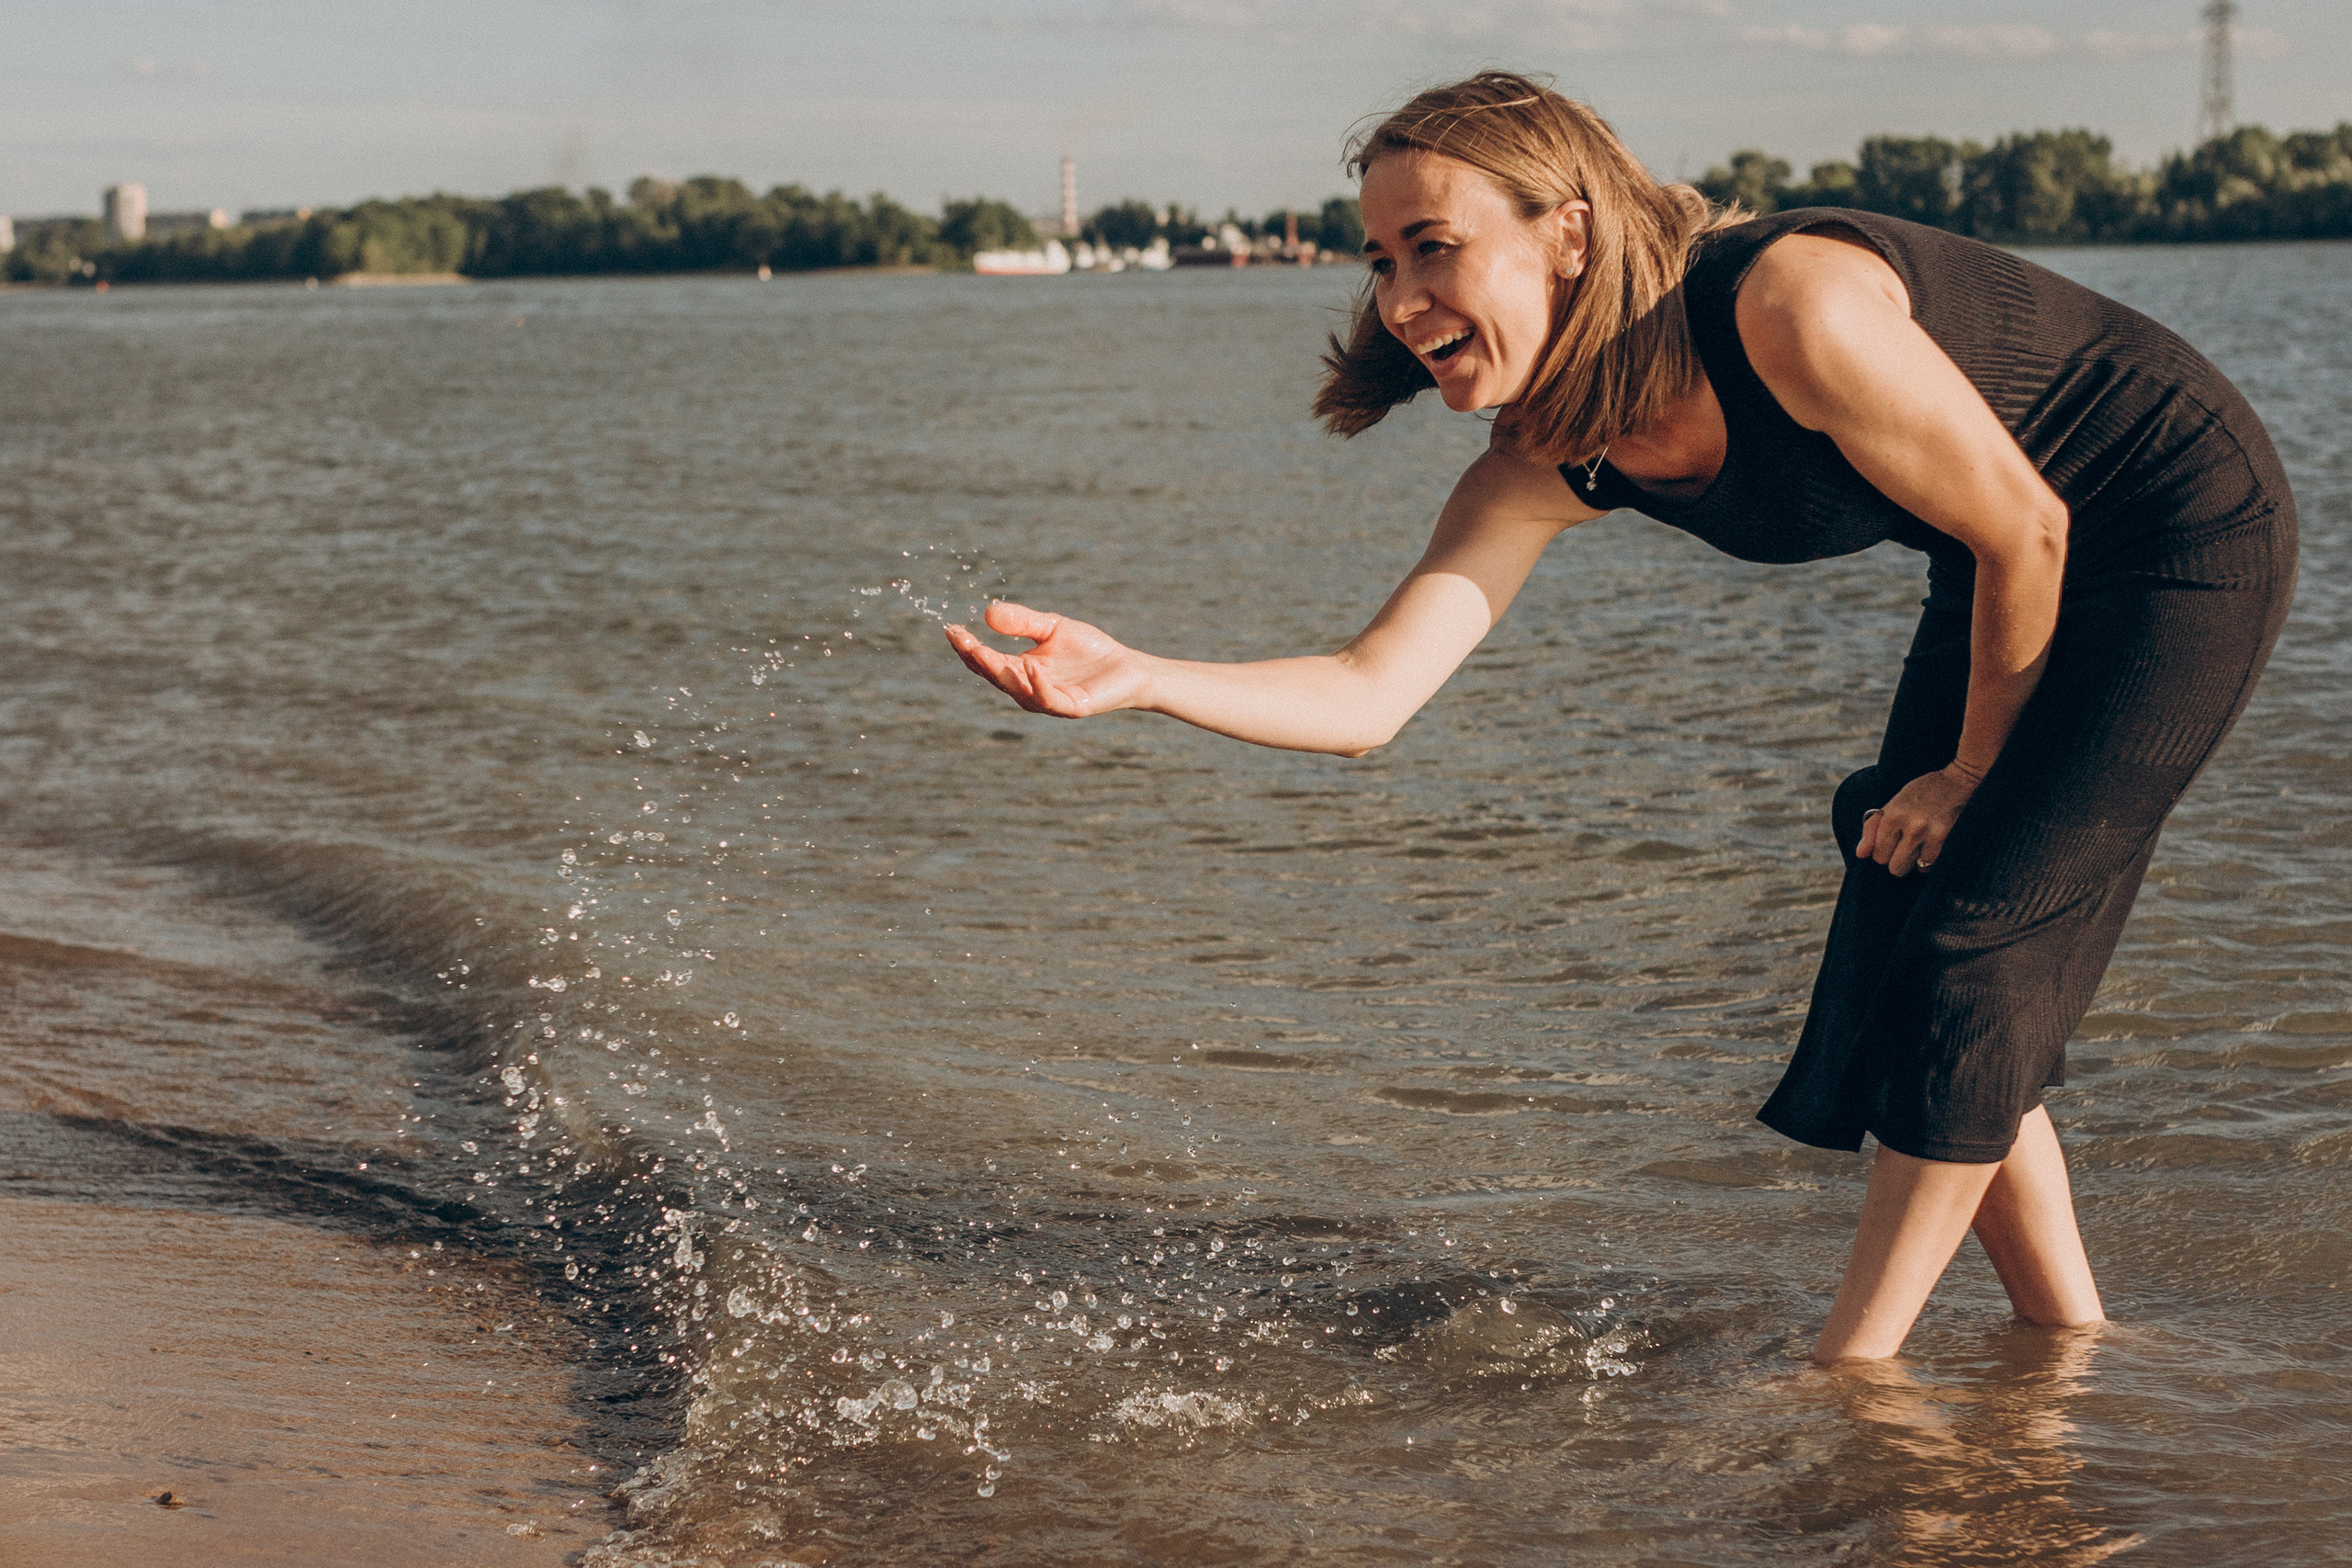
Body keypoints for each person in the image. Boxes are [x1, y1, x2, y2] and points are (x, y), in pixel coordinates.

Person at [946, 73, 2296, 1362]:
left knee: (1972, 946)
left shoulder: (1791, 308)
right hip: (1998, 558)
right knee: (1909, 937)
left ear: (1570, 236)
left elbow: (2029, 525)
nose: (1401, 302)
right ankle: (2069, 1345)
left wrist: (1969, 769)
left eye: (1433, 249)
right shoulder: (1547, 457)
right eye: (1381, 263)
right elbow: (1370, 694)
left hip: (2173, 527)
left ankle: (1852, 1378)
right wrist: (1148, 676)